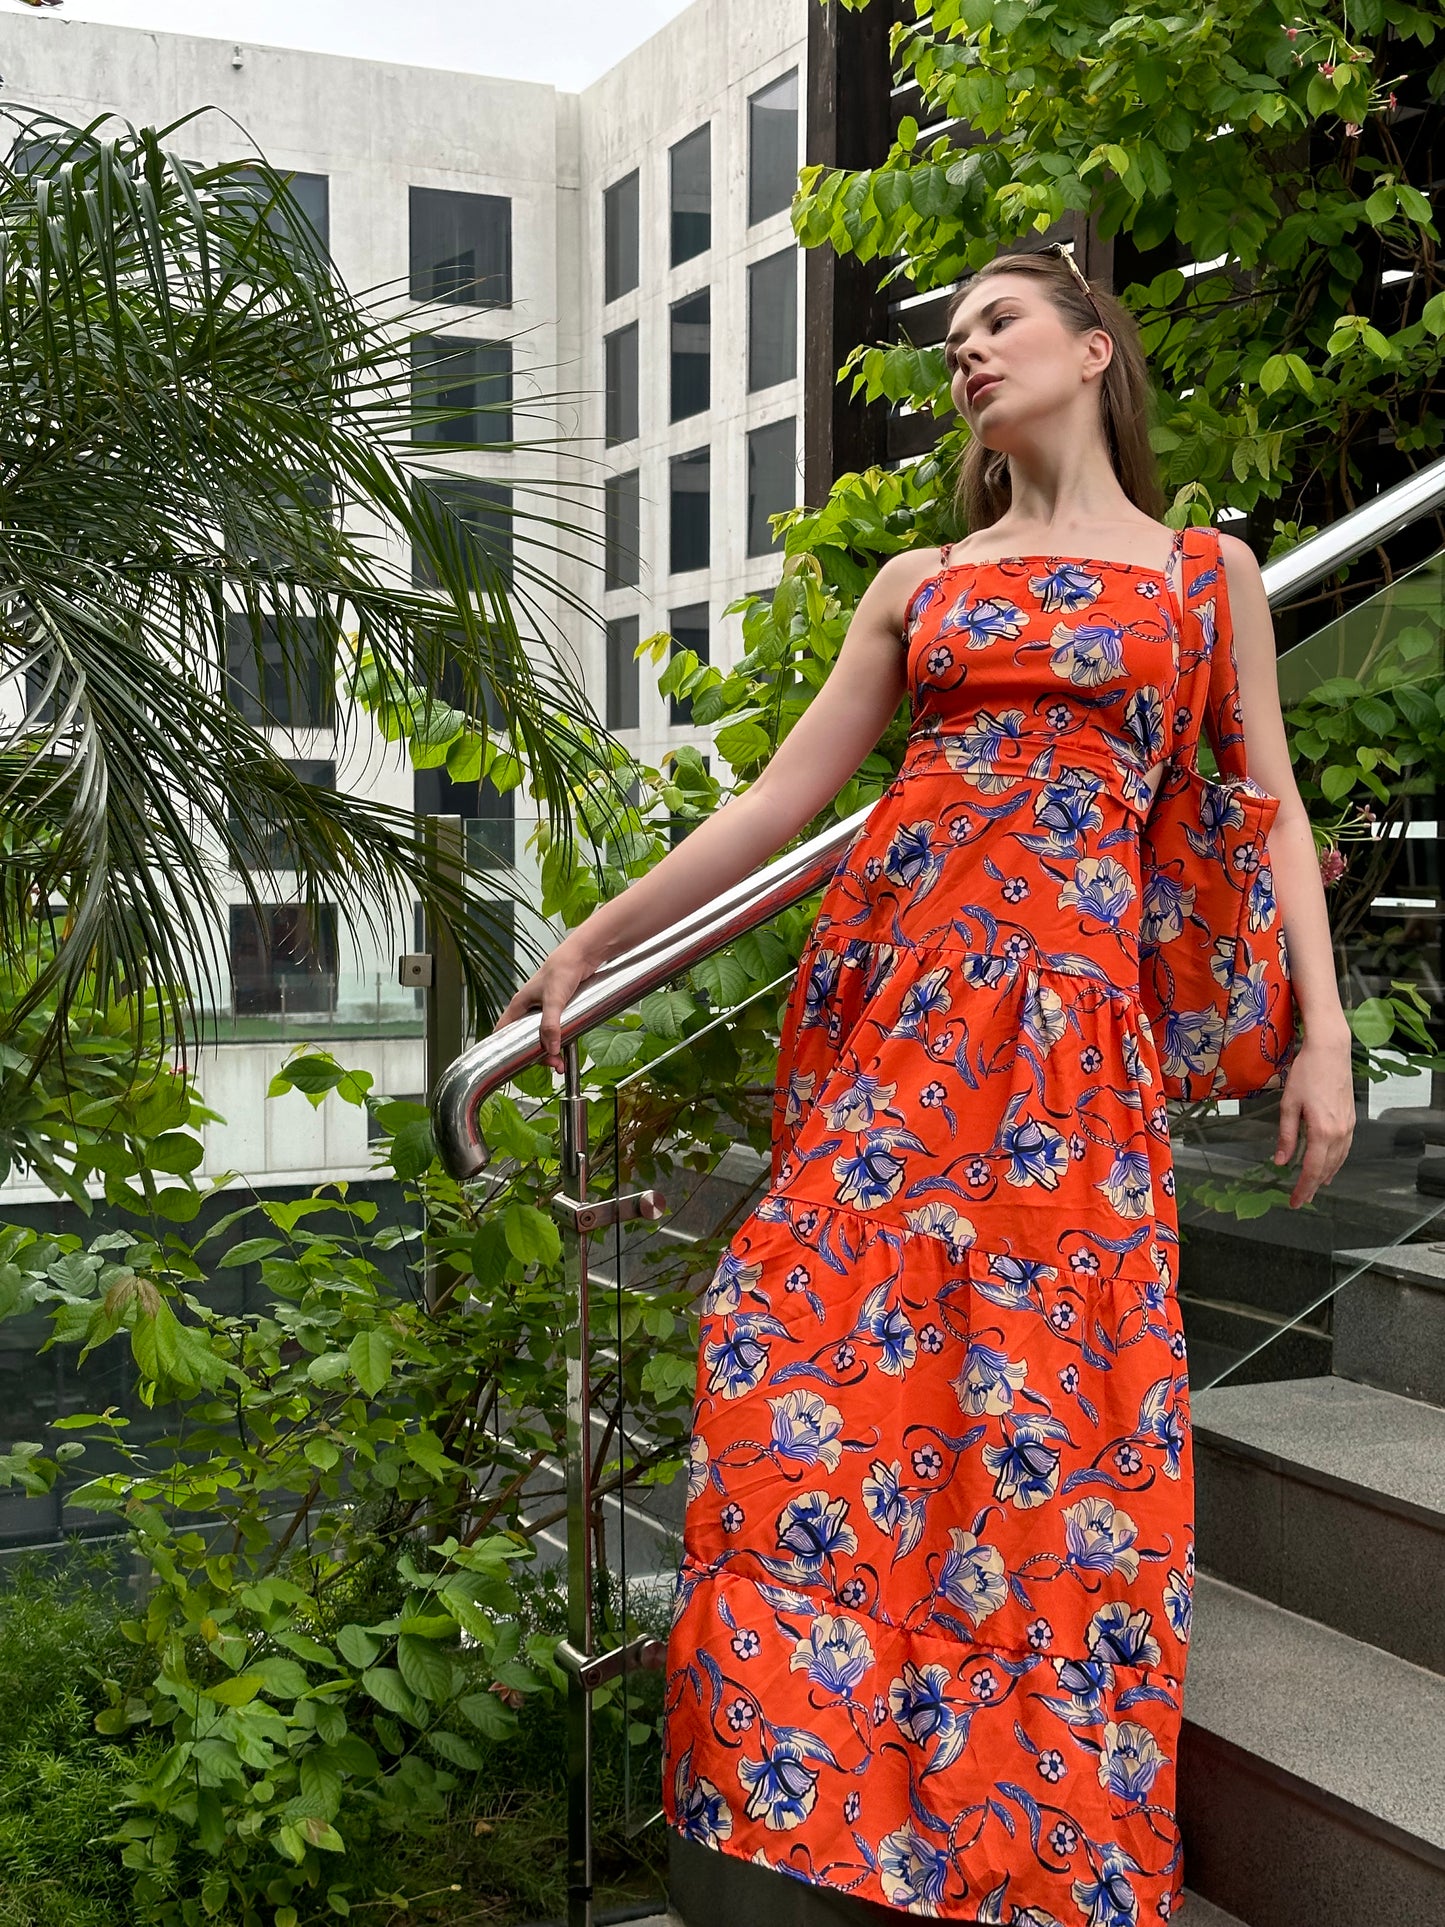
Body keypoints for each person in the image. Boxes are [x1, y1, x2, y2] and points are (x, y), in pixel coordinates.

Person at [493, 245, 1356, 1921]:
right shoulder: (923, 580)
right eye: (950, 335)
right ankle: (816, 1800)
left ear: (1093, 349)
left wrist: (1320, 1034)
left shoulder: (1202, 572)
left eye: (999, 323)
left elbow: (1269, 808)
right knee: (779, 1345)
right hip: (896, 1037)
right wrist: (593, 940)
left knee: (1052, 1429)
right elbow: (775, 803)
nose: (965, 351)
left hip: (1070, 1065)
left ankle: (1022, 1847)